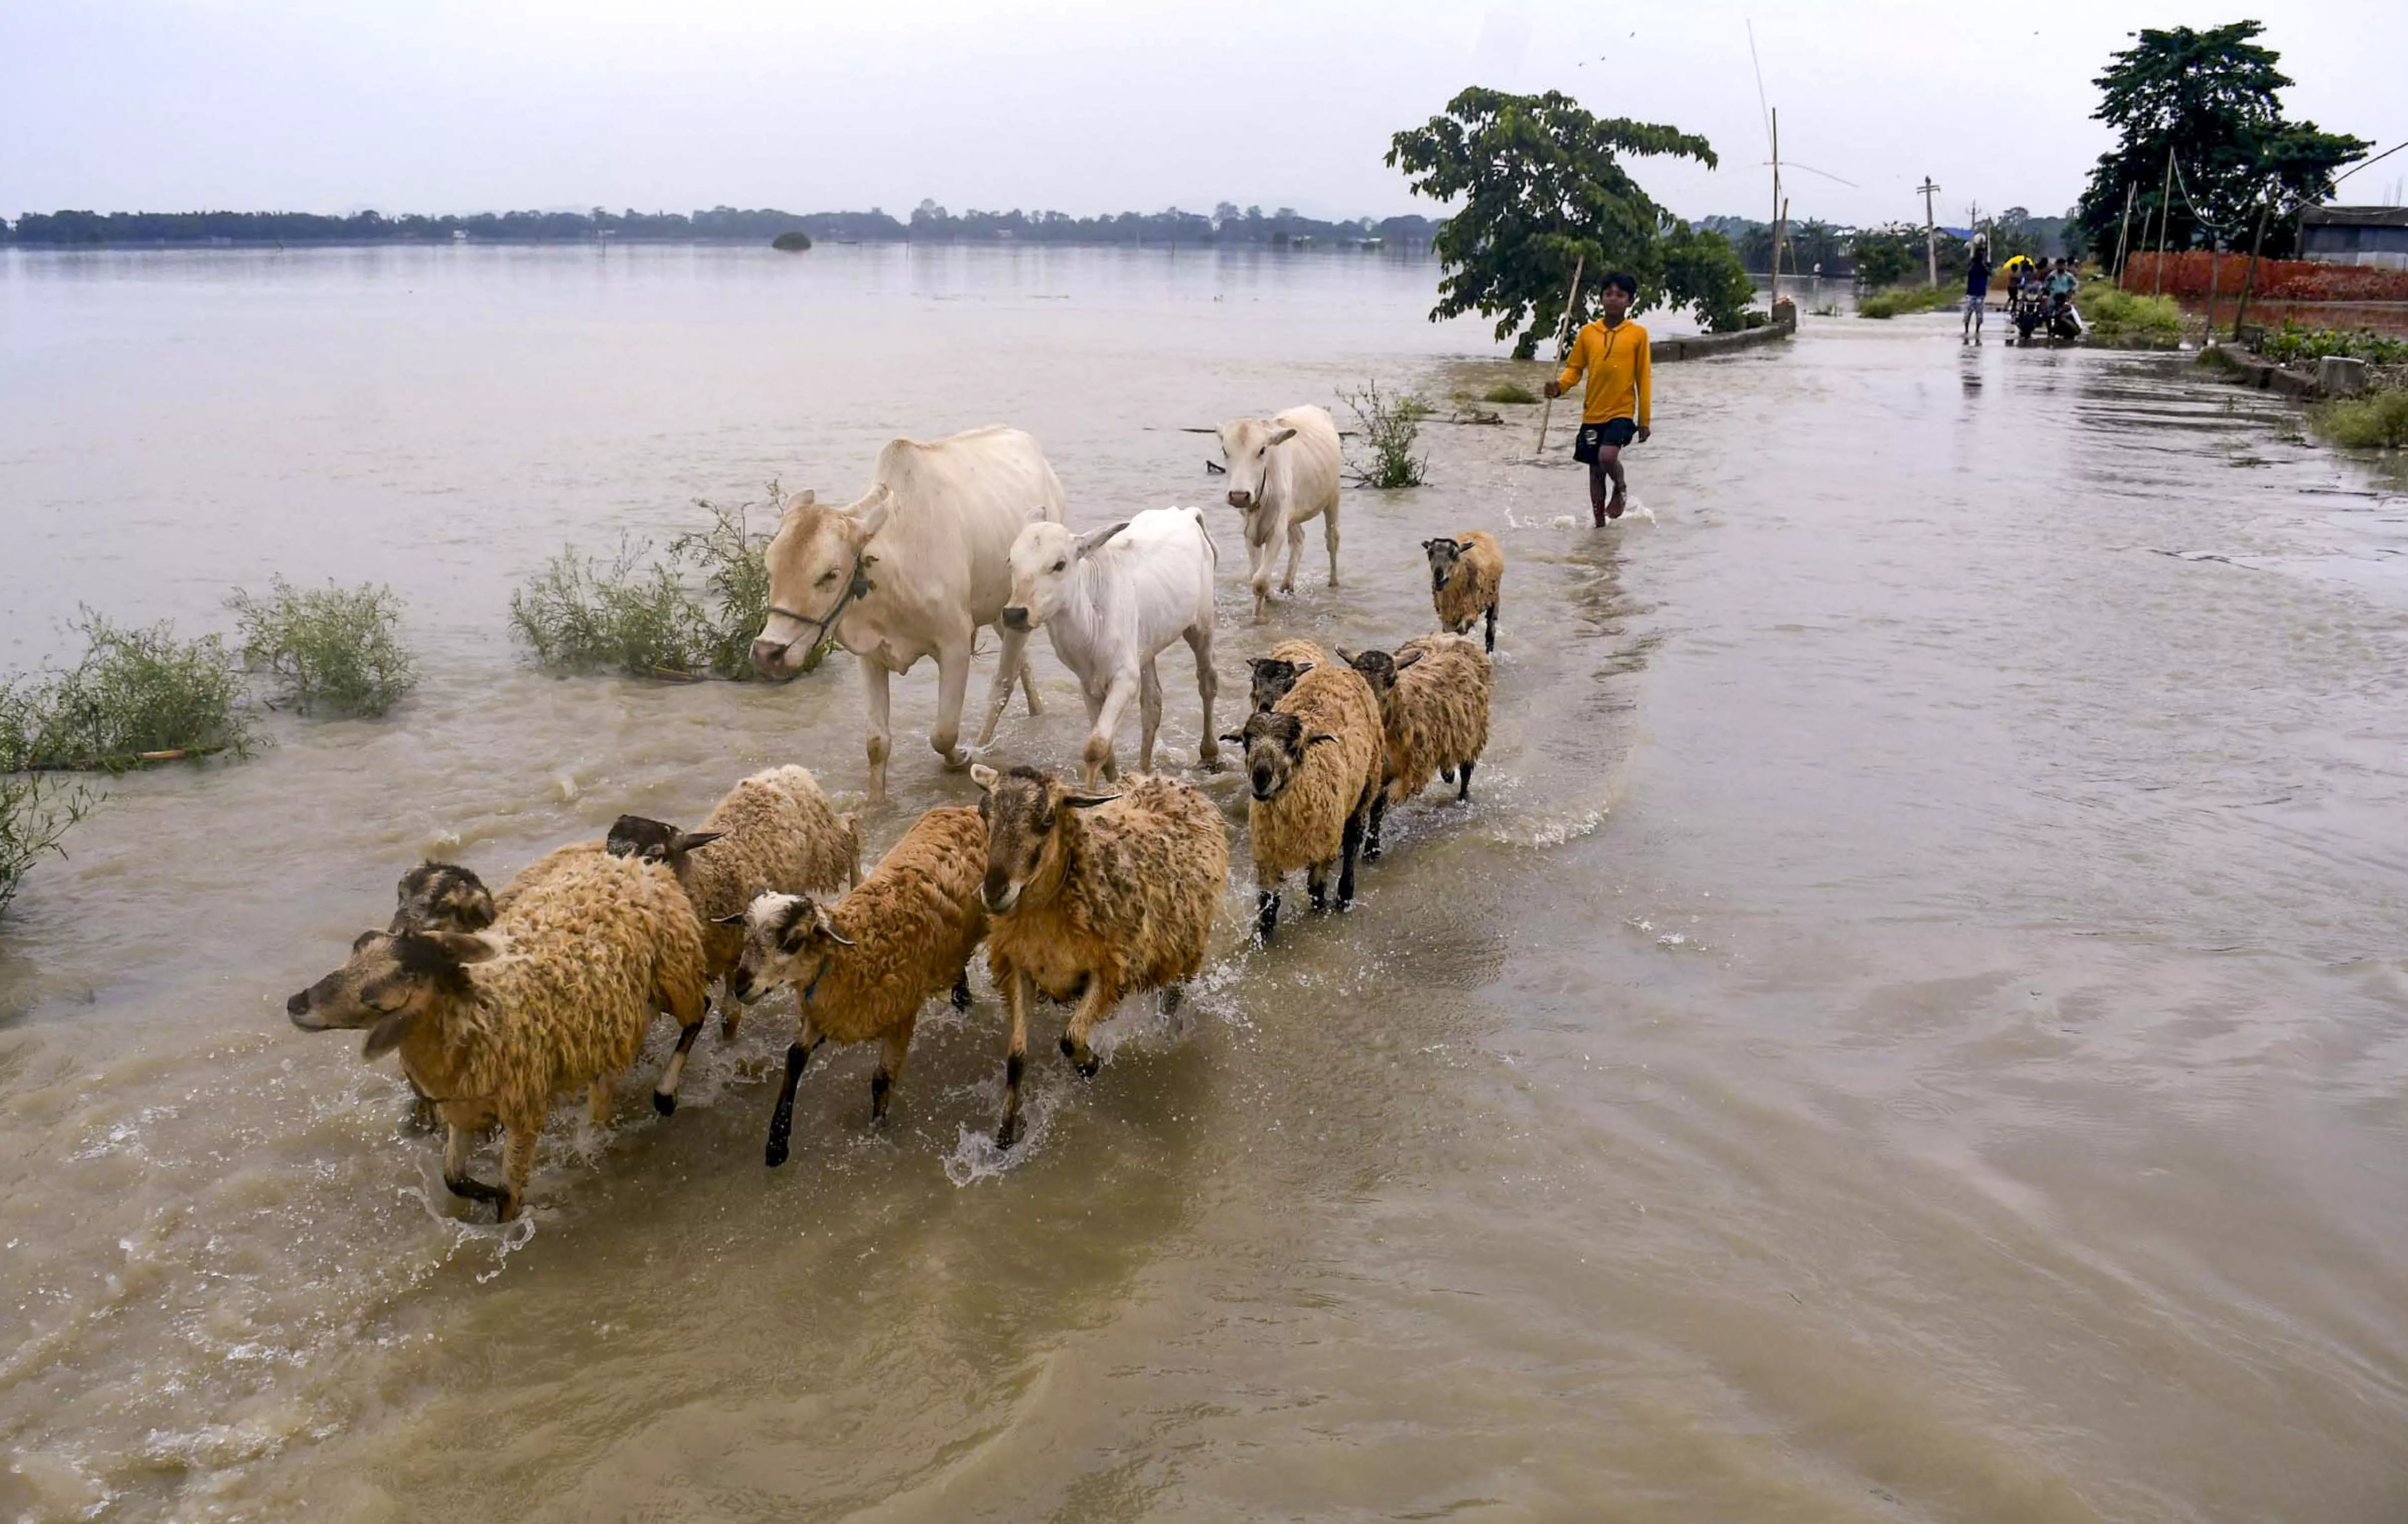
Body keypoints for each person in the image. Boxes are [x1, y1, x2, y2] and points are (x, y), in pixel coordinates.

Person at [1542, 270, 1651, 525]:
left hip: (1622, 412)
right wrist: (1560, 387)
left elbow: (1644, 378)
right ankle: (1599, 525)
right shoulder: (1588, 333)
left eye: (1620, 295)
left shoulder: (1638, 334)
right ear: (1601, 299)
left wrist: (1644, 420)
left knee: (1608, 457)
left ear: (1630, 301)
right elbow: (1575, 369)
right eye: (1608, 294)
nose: (1613, 299)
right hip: (1593, 412)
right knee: (1595, 471)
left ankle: (1621, 487)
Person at [1963, 242, 1993, 343]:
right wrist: (1975, 262)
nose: (1981, 255)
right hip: (1971, 293)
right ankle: (1966, 330)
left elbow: (1990, 273)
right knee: (1968, 314)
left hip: (1980, 293)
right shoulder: (1972, 263)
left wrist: (1983, 264)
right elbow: (1967, 271)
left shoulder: (1986, 265)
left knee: (1979, 315)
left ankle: (1977, 331)